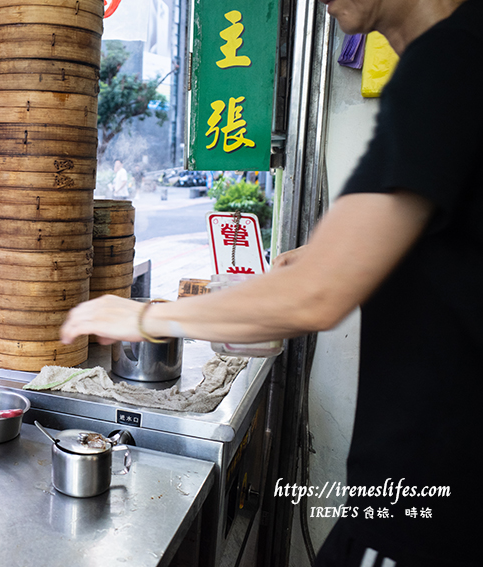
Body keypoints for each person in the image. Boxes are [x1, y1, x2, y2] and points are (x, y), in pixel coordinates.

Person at [61, 1, 482, 565]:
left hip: (431, 508)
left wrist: (141, 318)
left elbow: (318, 295)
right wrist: (319, 257)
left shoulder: (450, 60)